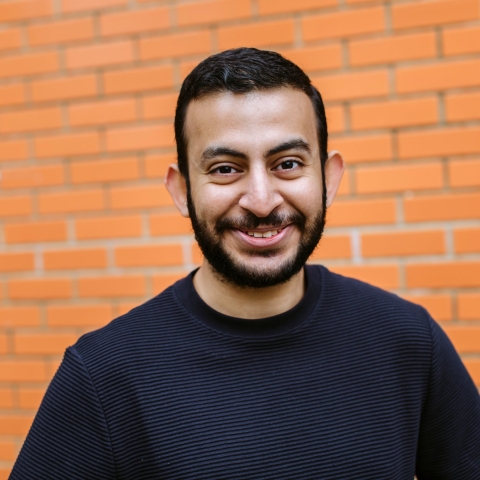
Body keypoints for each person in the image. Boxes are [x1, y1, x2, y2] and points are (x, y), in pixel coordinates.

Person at [10, 48, 480, 479]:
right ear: (181, 191)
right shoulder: (105, 374)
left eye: (288, 163)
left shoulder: (408, 340)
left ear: (328, 178)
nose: (260, 200)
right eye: (225, 169)